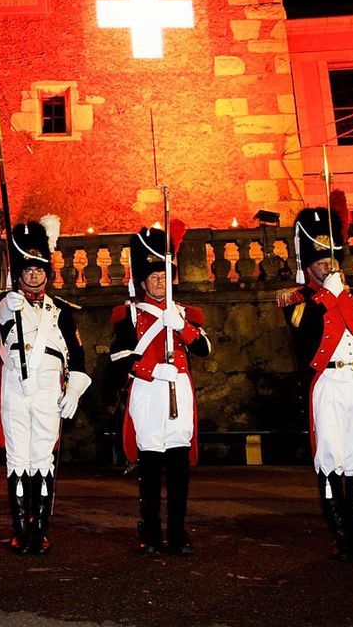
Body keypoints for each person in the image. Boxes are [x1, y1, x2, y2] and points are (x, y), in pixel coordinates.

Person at [276, 206, 353, 563]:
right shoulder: (298, 301)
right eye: (320, 261)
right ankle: (341, 538)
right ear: (308, 265)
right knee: (331, 459)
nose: (327, 266)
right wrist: (329, 295)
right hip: (327, 383)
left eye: (331, 259)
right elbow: (305, 338)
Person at [109, 223, 211, 555]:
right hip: (148, 392)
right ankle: (151, 529)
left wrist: (182, 327)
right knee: (151, 465)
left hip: (178, 391)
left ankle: (178, 530)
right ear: (141, 281)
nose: (159, 281)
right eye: (153, 276)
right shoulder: (130, 314)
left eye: (163, 275)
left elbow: (204, 349)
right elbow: (119, 357)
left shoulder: (183, 313)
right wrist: (152, 369)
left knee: (179, 465)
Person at [0, 216, 91, 554]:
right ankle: (20, 529)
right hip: (16, 390)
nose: (33, 275)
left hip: (49, 390)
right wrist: (9, 302)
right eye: (27, 270)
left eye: (38, 269)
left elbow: (77, 357)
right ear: (18, 274)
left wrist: (75, 389)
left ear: (47, 274)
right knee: (18, 457)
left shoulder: (62, 312)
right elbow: (3, 317)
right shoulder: (8, 305)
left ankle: (40, 529)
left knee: (42, 459)